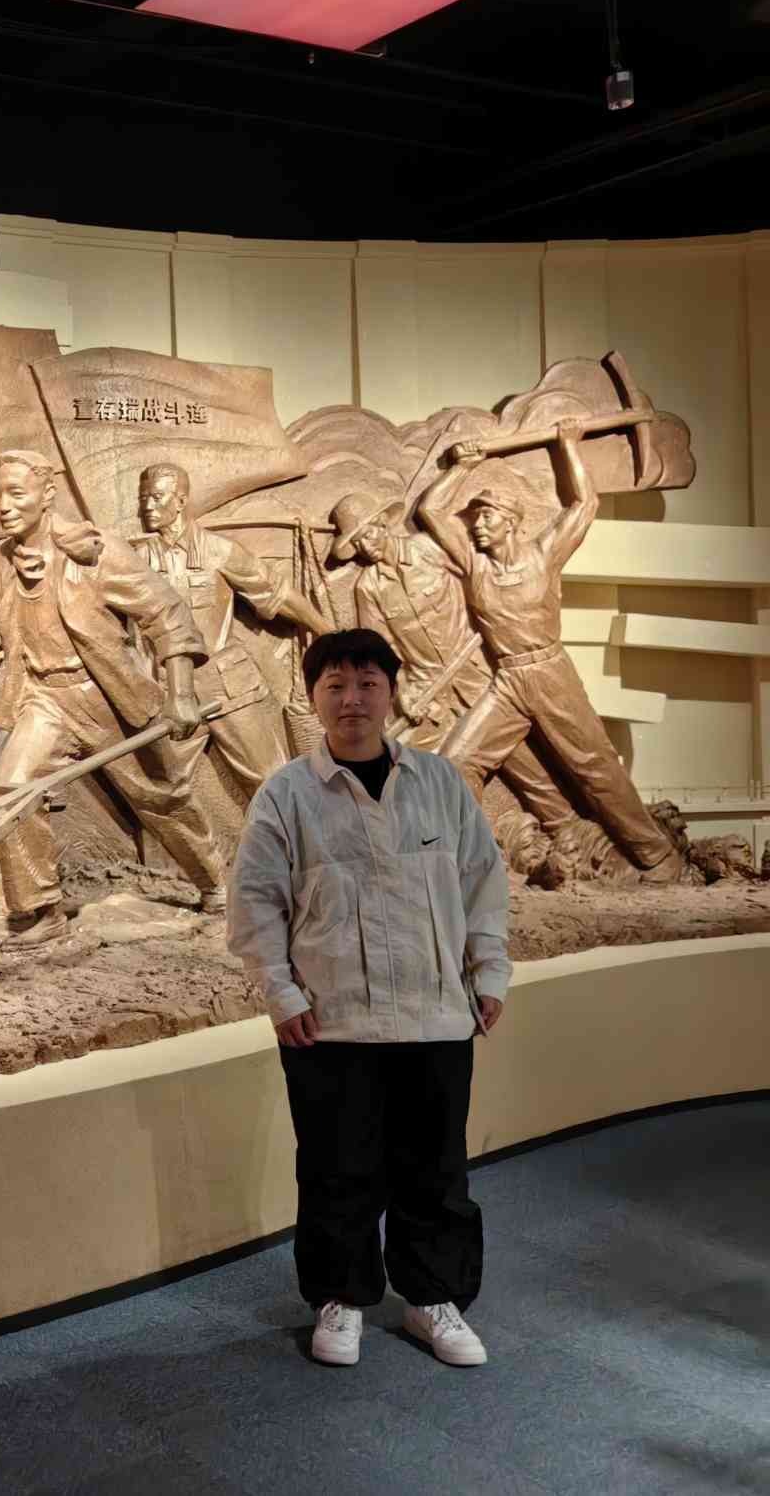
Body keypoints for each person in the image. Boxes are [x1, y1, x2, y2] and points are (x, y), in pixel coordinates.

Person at [228, 627, 509, 1369]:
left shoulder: (439, 783)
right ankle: (341, 1297)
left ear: (390, 693)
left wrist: (490, 973)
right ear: (313, 698)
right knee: (336, 1169)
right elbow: (255, 903)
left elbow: (482, 882)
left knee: (436, 1171)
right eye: (335, 686)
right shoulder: (287, 794)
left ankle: (432, 1298)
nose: (352, 699)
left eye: (367, 684)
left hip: (435, 1015)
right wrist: (281, 993)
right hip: (331, 1023)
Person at [0, 450, 216, 948]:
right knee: (13, 791)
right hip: (43, 701)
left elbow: (166, 613)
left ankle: (215, 885)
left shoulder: (95, 552)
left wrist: (181, 692)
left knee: (162, 797)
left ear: (47, 494)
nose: (3, 506)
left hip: (107, 699)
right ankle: (42, 910)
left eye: (16, 493)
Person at [417, 423, 683, 882]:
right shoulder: (474, 564)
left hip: (549, 672)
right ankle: (474, 862)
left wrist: (568, 445)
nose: (477, 525)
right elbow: (430, 509)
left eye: (487, 516)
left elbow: (585, 504)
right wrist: (462, 467)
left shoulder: (544, 554)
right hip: (509, 680)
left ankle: (658, 856)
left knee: (594, 767)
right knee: (457, 764)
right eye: (475, 517)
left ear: (511, 520)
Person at [328, 487, 578, 865]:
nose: (366, 545)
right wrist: (402, 691)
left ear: (383, 524)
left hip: (477, 675)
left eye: (368, 532)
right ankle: (464, 852)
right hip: (430, 693)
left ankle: (567, 831)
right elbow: (378, 652)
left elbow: (479, 578)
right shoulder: (369, 587)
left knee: (521, 764)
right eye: (358, 541)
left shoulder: (429, 550)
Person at [132, 462, 332, 795]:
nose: (148, 507)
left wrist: (327, 632)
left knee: (271, 779)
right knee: (162, 792)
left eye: (157, 497)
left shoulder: (218, 550)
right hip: (167, 691)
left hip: (225, 686)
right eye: (143, 499)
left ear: (180, 501)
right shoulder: (138, 560)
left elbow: (276, 592)